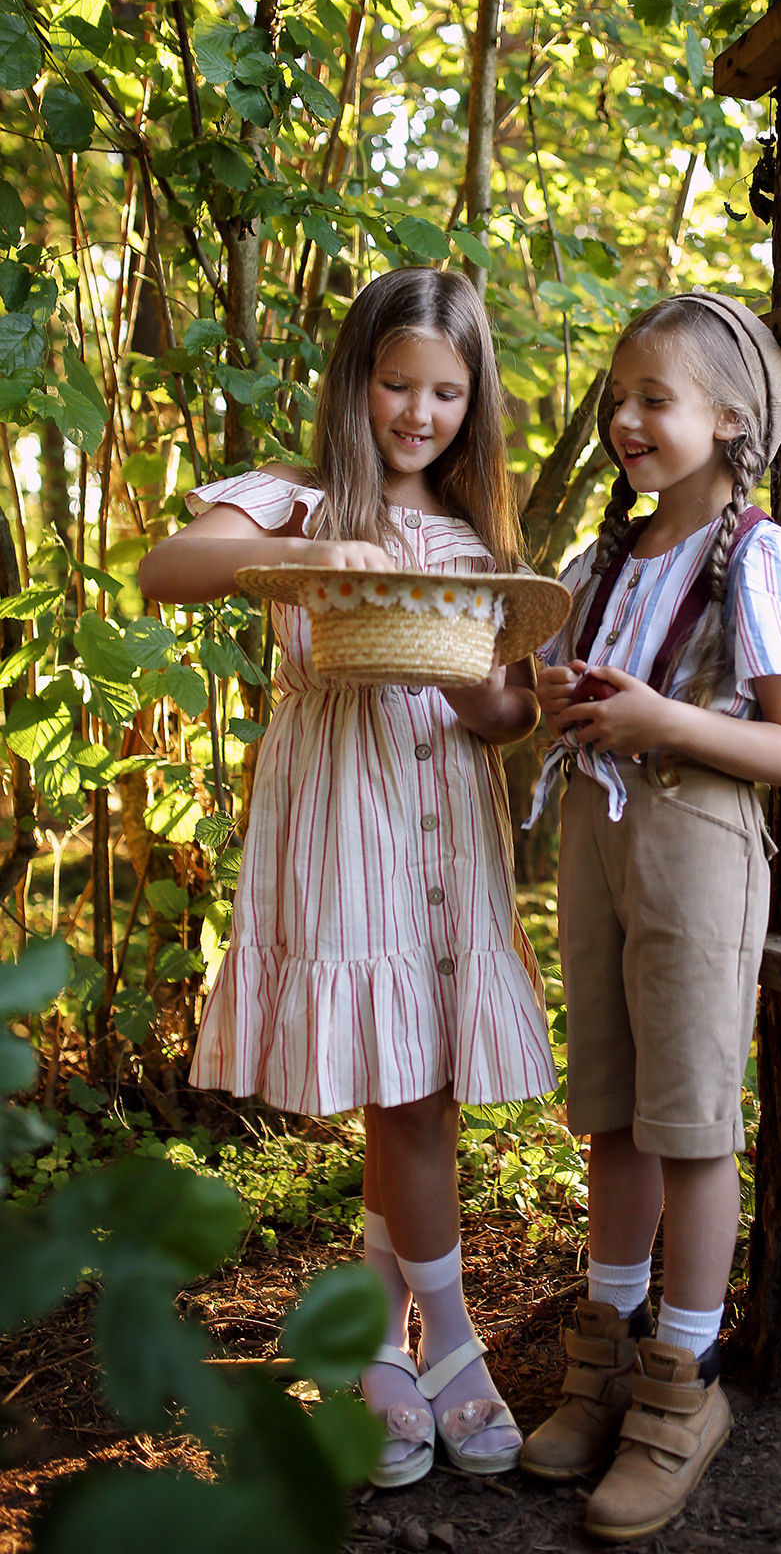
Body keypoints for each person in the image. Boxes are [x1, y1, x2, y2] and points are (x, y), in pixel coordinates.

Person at [138, 267, 555, 1487]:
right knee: (408, 1091)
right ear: (356, 383)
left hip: (450, 833)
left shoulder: (478, 538)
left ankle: (376, 1350)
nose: (417, 413)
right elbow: (167, 569)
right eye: (395, 384)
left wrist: (484, 688)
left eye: (444, 391)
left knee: (413, 1086)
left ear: (471, 402)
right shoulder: (296, 499)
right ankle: (456, 1350)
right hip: (348, 821)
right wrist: (324, 539)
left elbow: (506, 712)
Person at [521, 293, 781, 1542]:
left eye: (652, 401)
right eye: (617, 399)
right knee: (611, 1106)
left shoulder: (762, 558)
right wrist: (560, 693)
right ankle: (605, 1350)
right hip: (598, 845)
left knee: (688, 1117)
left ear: (730, 423)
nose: (625, 419)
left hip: (700, 847)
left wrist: (659, 719)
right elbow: (550, 695)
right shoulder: (601, 564)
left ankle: (683, 1379)